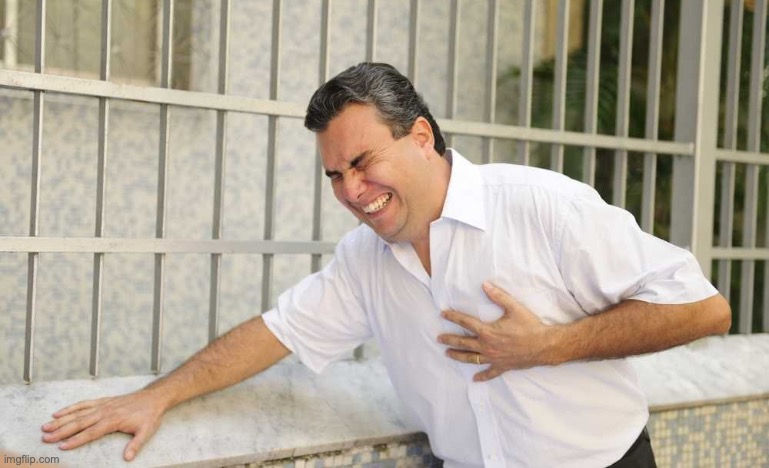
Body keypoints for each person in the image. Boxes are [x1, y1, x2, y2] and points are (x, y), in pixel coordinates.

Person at [41, 63, 731, 467]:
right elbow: (276, 332)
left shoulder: (541, 207)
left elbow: (705, 308)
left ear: (421, 136)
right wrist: (154, 396)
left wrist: (549, 347)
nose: (350, 191)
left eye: (362, 162)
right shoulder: (363, 260)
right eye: (335, 175)